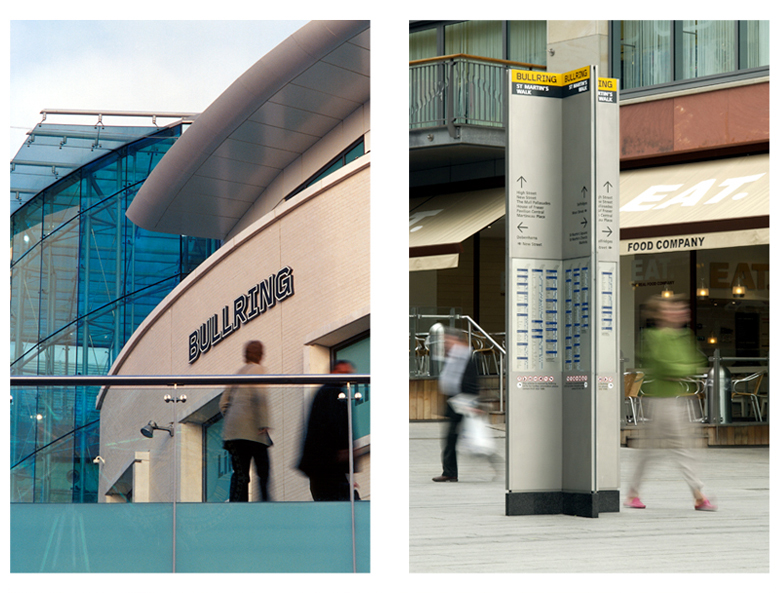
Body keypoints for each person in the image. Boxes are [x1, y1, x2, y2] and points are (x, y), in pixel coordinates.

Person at [625, 295, 717, 511]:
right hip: (661, 401)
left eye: (681, 310)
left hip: (680, 400)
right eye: (672, 310)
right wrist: (680, 368)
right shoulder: (652, 337)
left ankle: (632, 493)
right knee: (681, 448)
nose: (680, 313)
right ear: (661, 314)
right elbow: (665, 366)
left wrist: (679, 369)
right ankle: (699, 494)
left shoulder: (685, 336)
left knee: (652, 450)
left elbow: (696, 362)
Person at [432, 328, 500, 482]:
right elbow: (449, 379)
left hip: (465, 402)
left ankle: (452, 472)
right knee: (452, 438)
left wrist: (474, 403)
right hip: (454, 401)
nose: (446, 343)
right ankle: (450, 472)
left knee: (468, 438)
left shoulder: (467, 356)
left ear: (457, 340)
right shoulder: (453, 356)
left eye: (448, 340)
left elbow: (472, 380)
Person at [298, 360, 360, 501]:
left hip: (324, 466)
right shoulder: (332, 394)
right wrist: (346, 451)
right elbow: (336, 425)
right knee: (349, 506)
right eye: (342, 373)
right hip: (326, 466)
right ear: (333, 372)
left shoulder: (329, 393)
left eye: (347, 374)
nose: (345, 377)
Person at [220, 340, 272, 502]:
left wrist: (233, 420)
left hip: (232, 433)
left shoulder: (238, 374)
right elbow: (260, 396)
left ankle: (238, 504)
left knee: (240, 473)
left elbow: (223, 404)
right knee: (263, 470)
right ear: (260, 355)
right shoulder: (258, 370)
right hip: (253, 430)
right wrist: (263, 423)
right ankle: (266, 504)